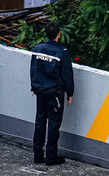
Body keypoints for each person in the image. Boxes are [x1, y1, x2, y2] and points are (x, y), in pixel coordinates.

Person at [30, 20, 74, 166]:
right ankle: (51, 156)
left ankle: (37, 155)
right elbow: (67, 74)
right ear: (59, 34)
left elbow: (33, 69)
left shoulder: (37, 48)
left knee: (40, 122)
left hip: (40, 91)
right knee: (54, 125)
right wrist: (70, 93)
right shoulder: (62, 52)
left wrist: (34, 87)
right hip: (55, 93)